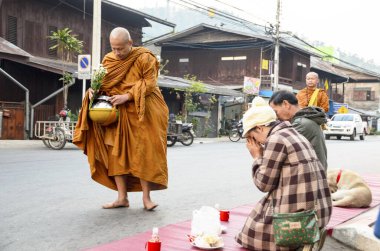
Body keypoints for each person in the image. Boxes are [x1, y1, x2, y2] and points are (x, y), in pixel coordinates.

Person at [73, 27, 169, 210]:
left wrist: (128, 96)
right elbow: (105, 84)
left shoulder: (145, 57)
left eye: (121, 49)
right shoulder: (109, 60)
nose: (117, 53)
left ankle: (146, 199)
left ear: (130, 43)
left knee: (143, 153)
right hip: (117, 113)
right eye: (113, 48)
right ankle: (121, 198)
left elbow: (149, 83)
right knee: (116, 154)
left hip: (143, 111)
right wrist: (94, 91)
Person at [235, 97, 332, 251]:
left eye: (252, 138)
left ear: (259, 128)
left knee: (247, 234)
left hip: (300, 222)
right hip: (319, 215)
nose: (257, 143)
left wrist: (256, 156)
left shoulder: (276, 139)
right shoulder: (293, 132)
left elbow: (263, 184)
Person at [269, 90, 328, 170]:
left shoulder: (300, 124)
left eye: (275, 112)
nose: (276, 116)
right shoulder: (304, 119)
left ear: (286, 104)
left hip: (311, 177)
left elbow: (275, 149)